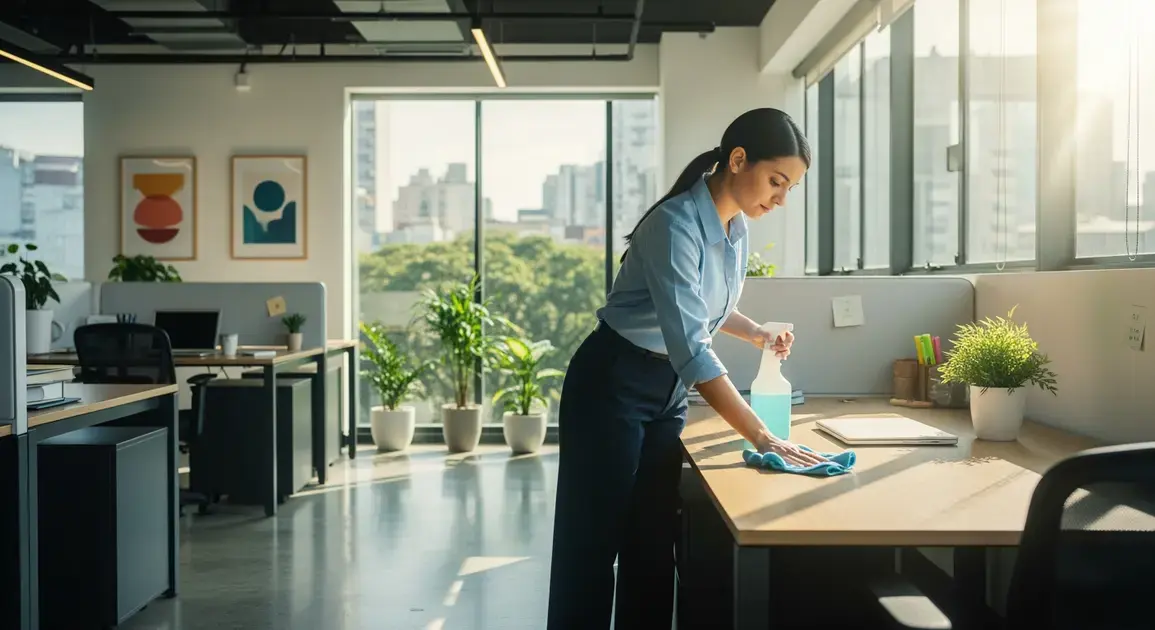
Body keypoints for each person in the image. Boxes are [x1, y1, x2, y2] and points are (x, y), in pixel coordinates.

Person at [546, 107, 823, 629]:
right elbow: (693, 349)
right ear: (738, 160)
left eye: (790, 188)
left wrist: (757, 331)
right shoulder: (673, 225)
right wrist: (763, 436)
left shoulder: (734, 227)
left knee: (651, 543)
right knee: (591, 544)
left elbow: (703, 310)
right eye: (777, 182)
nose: (781, 199)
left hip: (664, 389)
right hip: (612, 383)